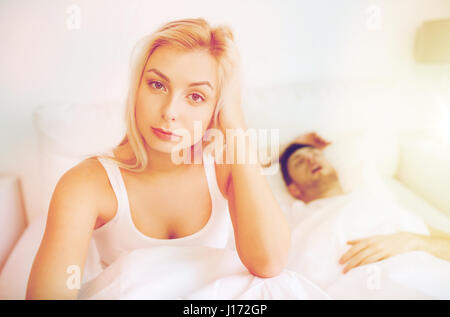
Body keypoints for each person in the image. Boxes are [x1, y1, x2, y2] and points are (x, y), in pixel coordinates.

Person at [26, 18, 291, 299]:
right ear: (137, 88)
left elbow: (269, 262)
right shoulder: (86, 185)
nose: (169, 111)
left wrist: (235, 123)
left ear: (216, 108)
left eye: (196, 97)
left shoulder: (224, 166)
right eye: (157, 85)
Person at [279, 132, 450, 274]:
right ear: (293, 190)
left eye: (316, 154)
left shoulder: (376, 199)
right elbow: (253, 172)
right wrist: (286, 147)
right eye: (299, 161)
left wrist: (414, 241)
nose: (312, 160)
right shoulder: (293, 215)